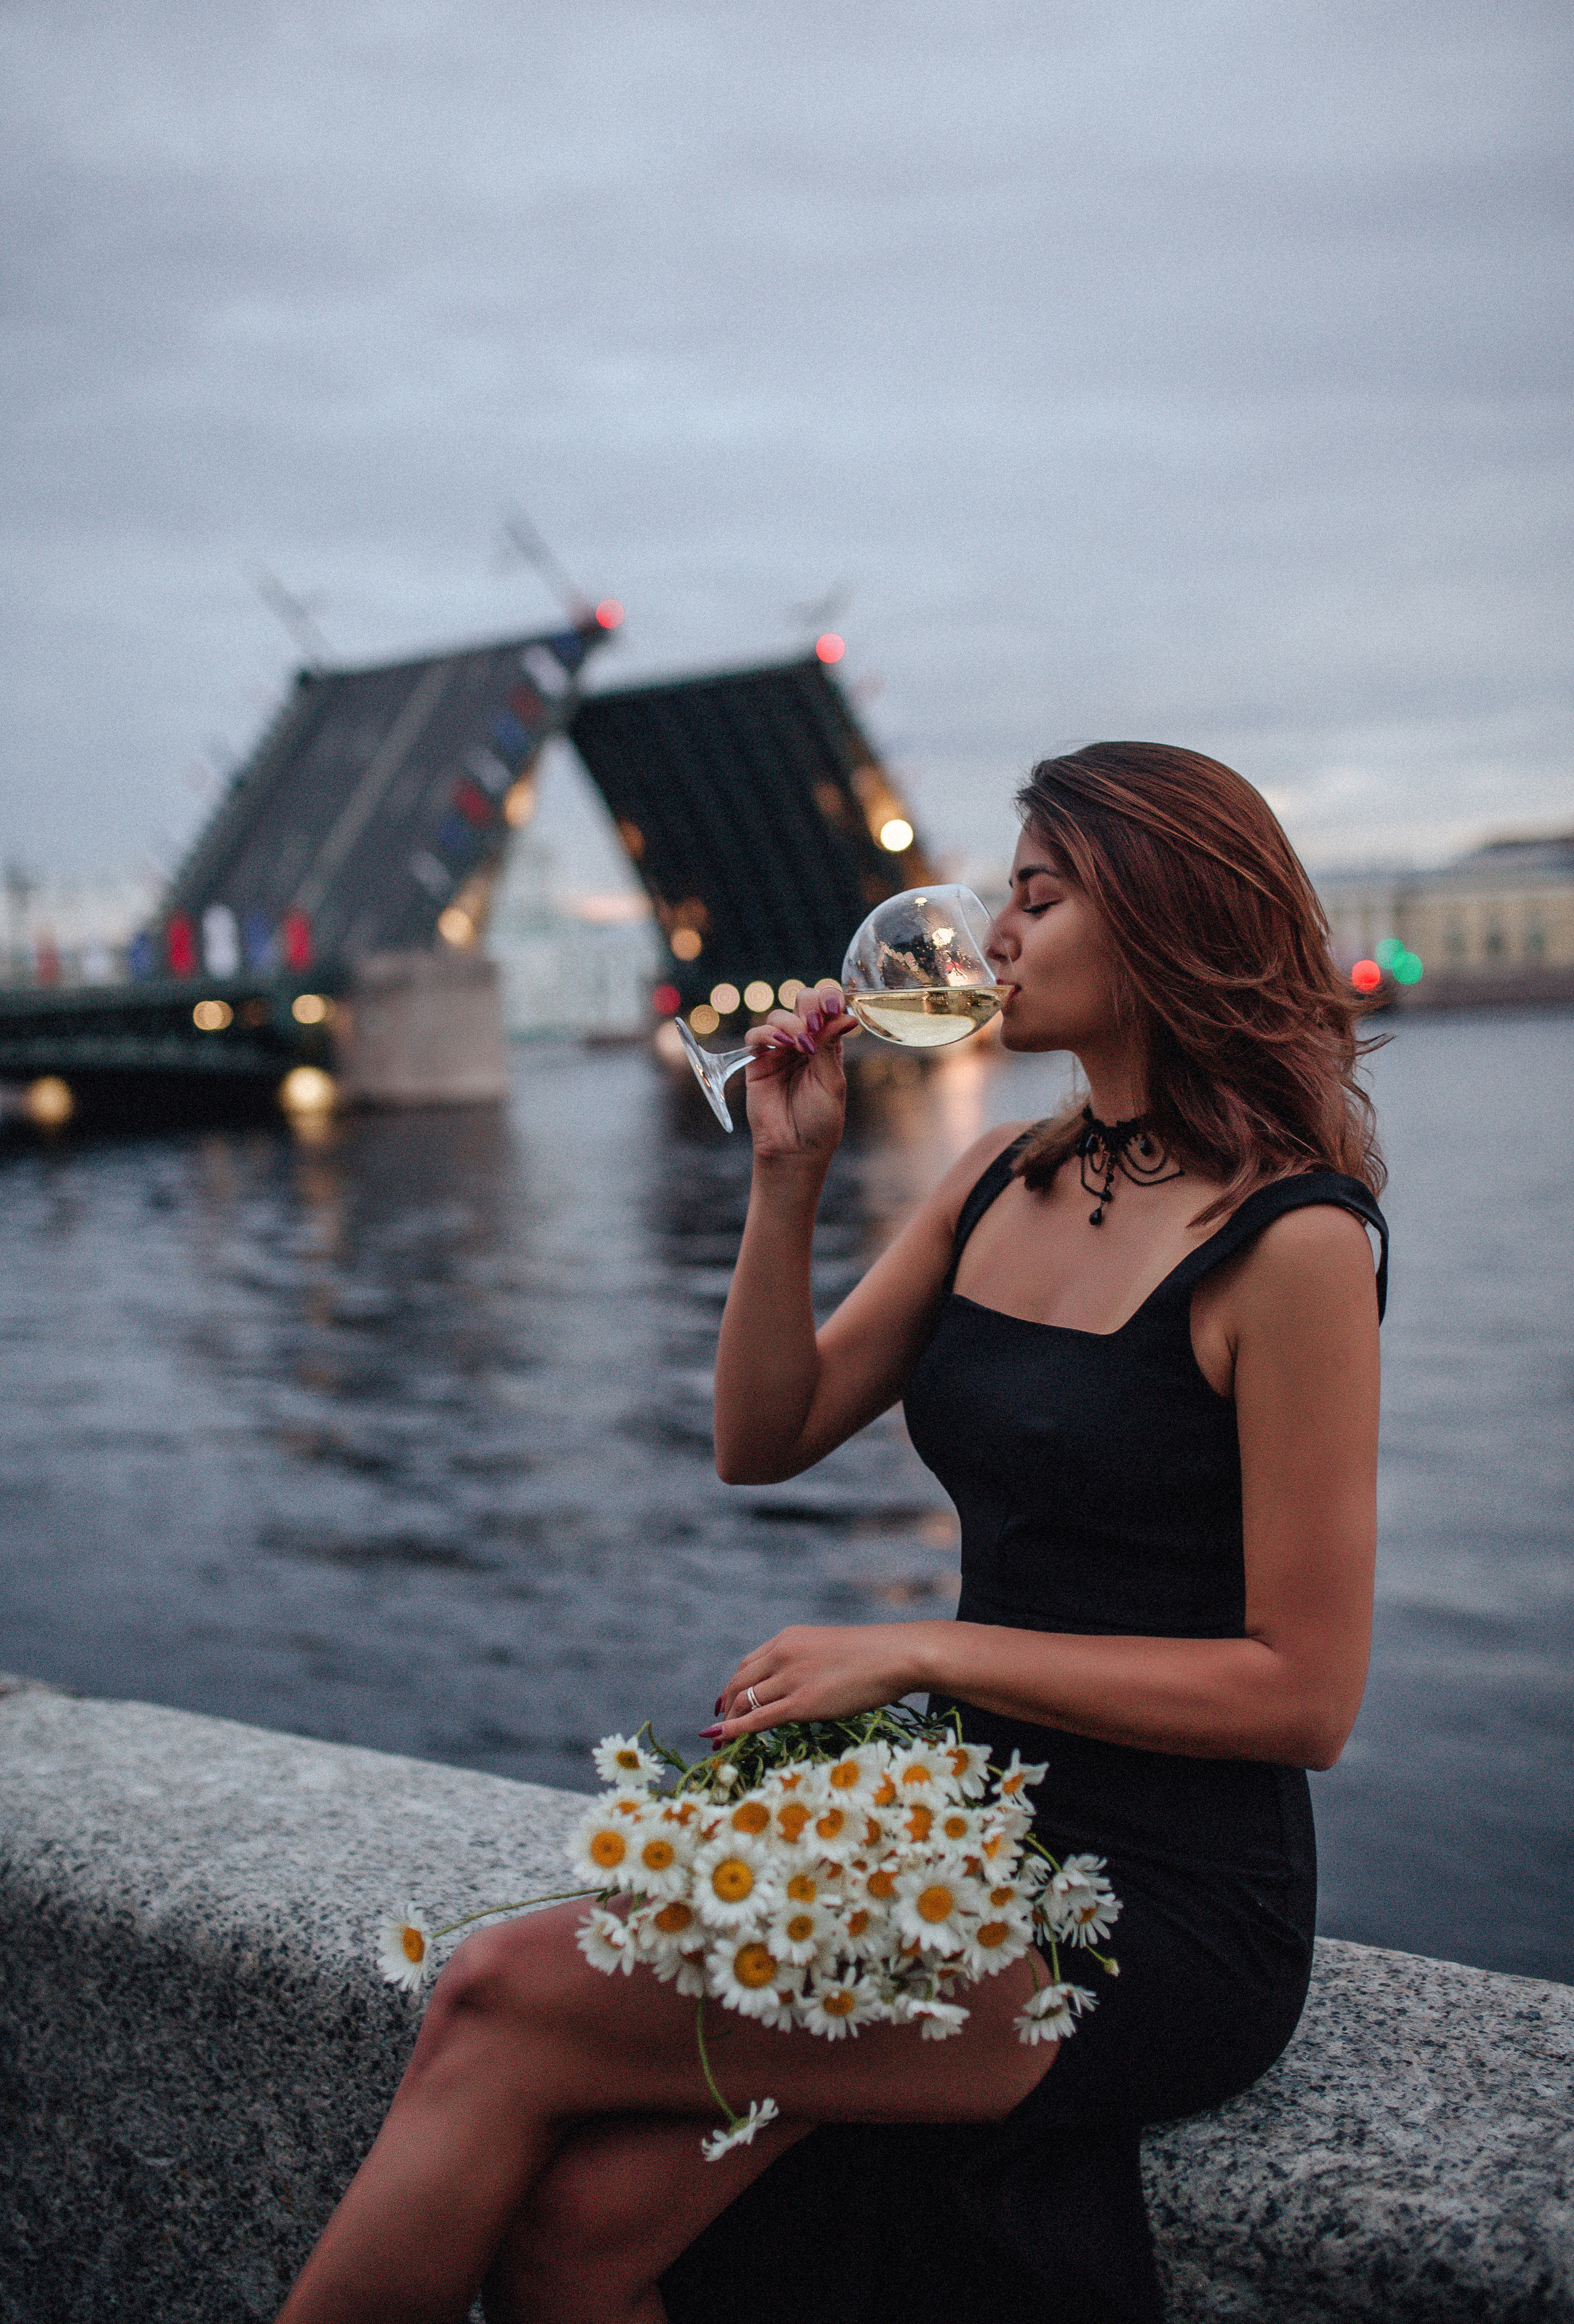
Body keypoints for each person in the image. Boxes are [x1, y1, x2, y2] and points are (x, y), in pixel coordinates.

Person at [279, 741, 1386, 2324]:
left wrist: (922, 1652)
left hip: (1157, 1910)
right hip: (961, 1836)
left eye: (1040, 899)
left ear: (1161, 918)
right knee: (580, 2233)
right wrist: (785, 1175)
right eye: (1006, 899)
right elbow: (763, 1437)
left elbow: (1303, 1696)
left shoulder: (1289, 1243)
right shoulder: (1000, 1179)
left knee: (494, 1993)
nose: (994, 937)